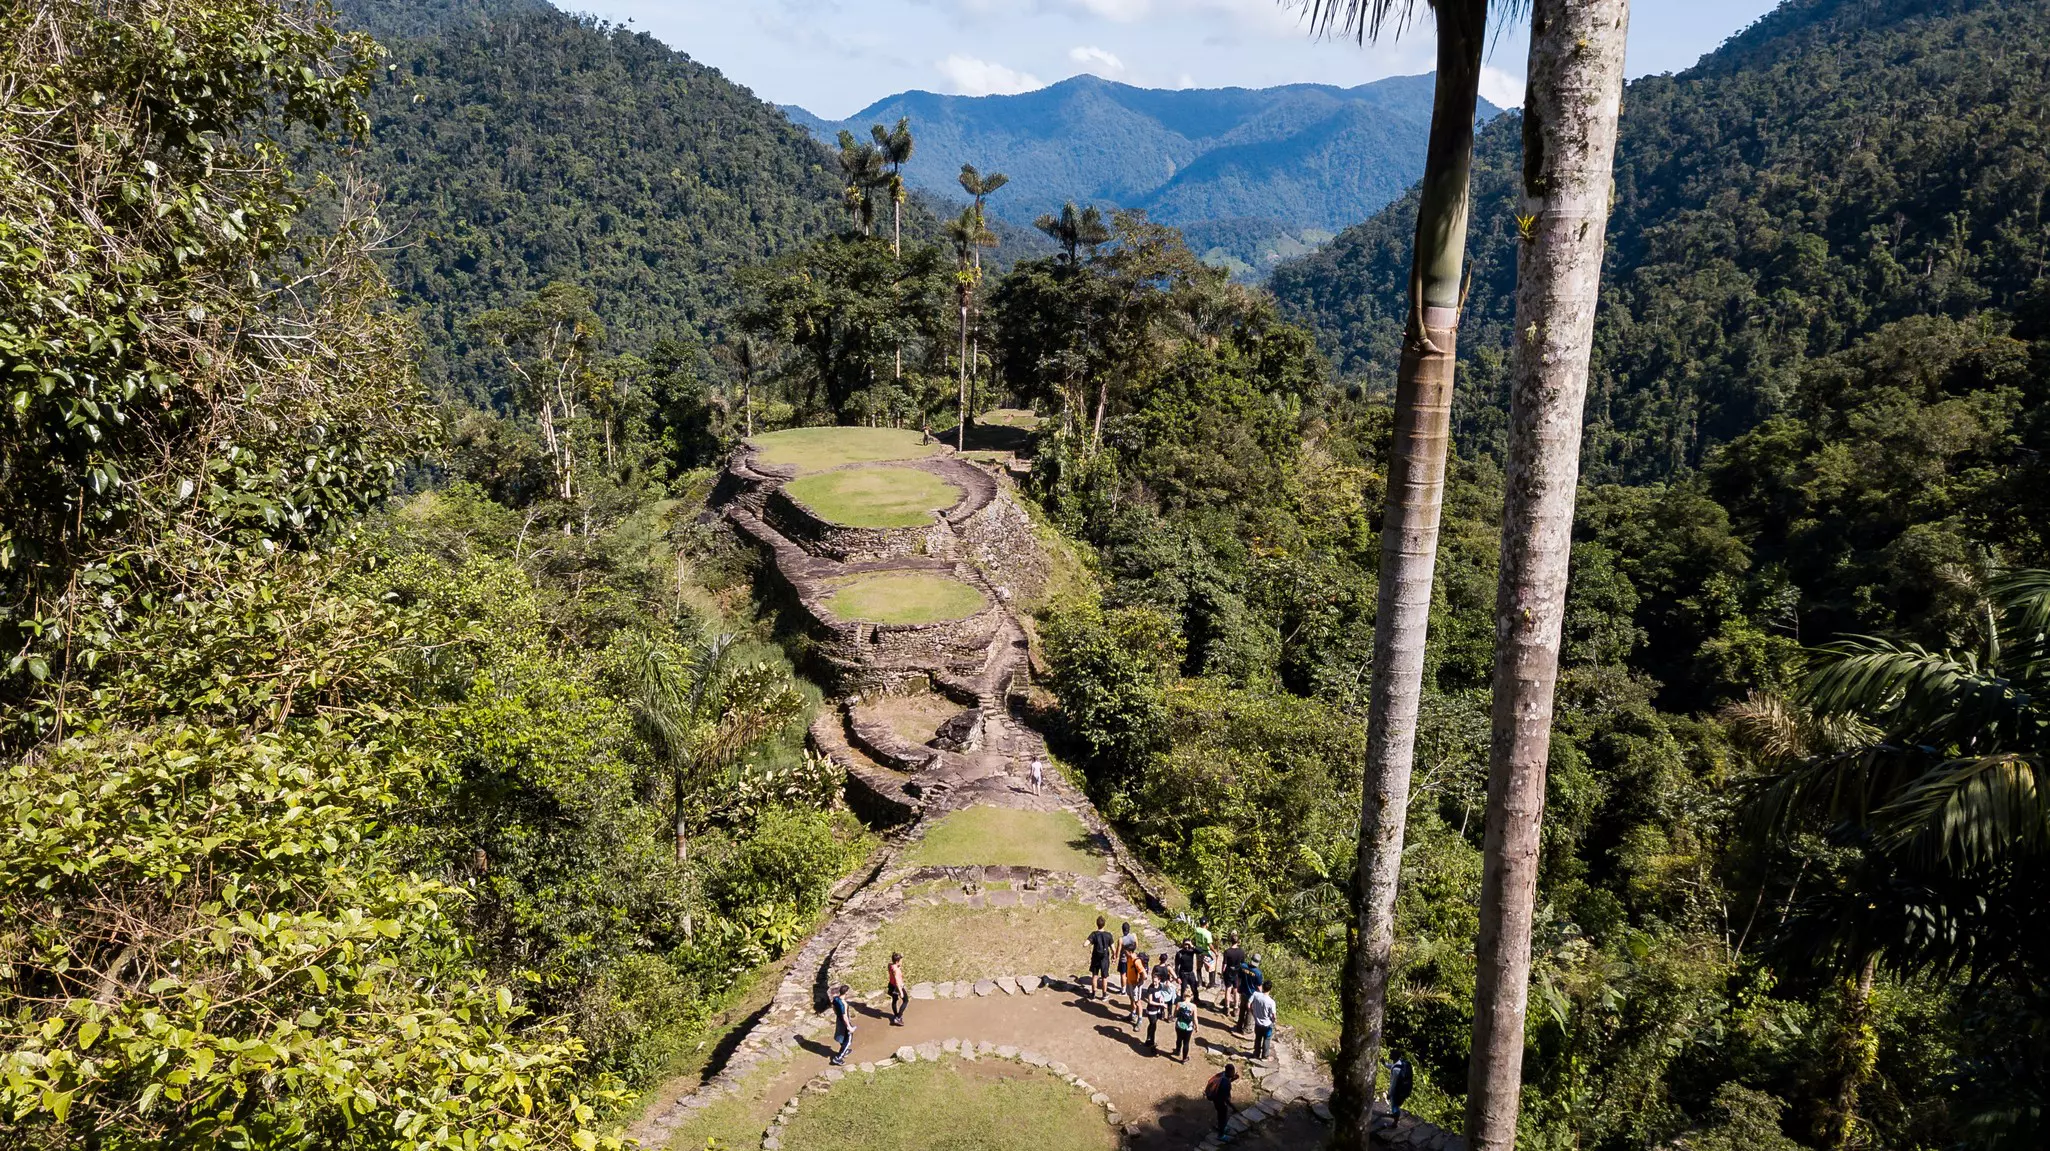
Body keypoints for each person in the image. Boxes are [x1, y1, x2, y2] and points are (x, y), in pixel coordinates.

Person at [1204, 1062, 1239, 1137]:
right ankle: (1221, 1135)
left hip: (1216, 1099)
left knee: (1220, 1115)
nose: (1234, 1073)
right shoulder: (1226, 1084)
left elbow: (1226, 1080)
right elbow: (1226, 1099)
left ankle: (1220, 1127)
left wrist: (1233, 1078)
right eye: (1233, 1071)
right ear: (1230, 1072)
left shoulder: (1222, 1075)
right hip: (1221, 1103)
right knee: (1223, 1117)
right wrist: (1234, 1108)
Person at [1143, 973, 1176, 1053]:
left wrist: (1162, 1000)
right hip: (1151, 1010)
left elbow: (1160, 995)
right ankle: (1152, 1044)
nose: (1154, 983)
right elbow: (1150, 1001)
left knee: (1152, 1025)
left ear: (1159, 980)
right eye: (1153, 981)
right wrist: (1161, 1004)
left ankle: (1148, 1040)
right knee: (1153, 1025)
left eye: (1155, 981)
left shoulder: (1160, 986)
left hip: (1157, 1009)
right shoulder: (1151, 988)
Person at [1086, 916, 1116, 999]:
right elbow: (1113, 948)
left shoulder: (1094, 934)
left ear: (1097, 924)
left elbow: (1085, 944)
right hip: (1105, 958)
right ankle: (1104, 994)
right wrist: (1114, 956)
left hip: (1096, 957)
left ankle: (1093, 994)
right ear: (1104, 924)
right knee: (1104, 977)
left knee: (1095, 976)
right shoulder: (1108, 935)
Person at [1248, 979, 1277, 1061]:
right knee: (1266, 1039)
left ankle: (1256, 1054)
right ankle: (1265, 1056)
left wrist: (1253, 1013)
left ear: (1263, 987)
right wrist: (1274, 1021)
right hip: (1267, 1024)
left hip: (1257, 1022)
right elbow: (1274, 1015)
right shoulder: (1271, 1002)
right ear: (1270, 989)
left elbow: (1248, 1004)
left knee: (1258, 1038)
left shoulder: (1256, 994)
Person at [1236, 953, 1265, 1034]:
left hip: (1243, 991)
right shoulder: (1258, 973)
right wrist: (1262, 995)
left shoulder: (1243, 966)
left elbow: (1239, 978)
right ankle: (1246, 1029)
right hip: (1252, 995)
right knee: (1249, 1012)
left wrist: (1238, 987)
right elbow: (1259, 986)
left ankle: (1238, 1026)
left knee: (1242, 1009)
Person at [1220, 935, 1247, 1017]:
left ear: (1230, 941)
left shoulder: (1227, 951)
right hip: (1237, 972)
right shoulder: (1241, 952)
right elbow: (1243, 964)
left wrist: (1222, 972)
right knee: (1236, 990)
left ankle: (1227, 1008)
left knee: (1228, 989)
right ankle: (1235, 1008)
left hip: (1228, 971)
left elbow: (1224, 964)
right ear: (1238, 941)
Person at [1385, 1055, 1415, 1125]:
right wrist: (1385, 1064)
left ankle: (1395, 1123)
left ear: (1394, 1057)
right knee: (1396, 1104)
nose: (1389, 1055)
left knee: (1394, 1105)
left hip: (1397, 1090)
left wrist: (1389, 1094)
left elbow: (1393, 1084)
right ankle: (1395, 1116)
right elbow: (1392, 1066)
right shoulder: (1401, 1063)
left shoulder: (1396, 1070)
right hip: (1403, 1089)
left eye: (1391, 1054)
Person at [830, 983, 854, 1066]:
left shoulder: (836, 999)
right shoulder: (844, 1004)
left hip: (839, 1020)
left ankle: (845, 1050)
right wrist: (849, 1027)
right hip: (844, 1022)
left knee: (842, 1036)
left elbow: (833, 1007)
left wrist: (837, 1014)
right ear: (846, 992)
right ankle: (838, 1058)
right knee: (848, 1040)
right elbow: (845, 1016)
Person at [1172, 992, 1199, 1063]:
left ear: (1184, 996)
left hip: (1179, 1025)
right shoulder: (1193, 1006)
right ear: (1191, 996)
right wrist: (1196, 1026)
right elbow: (1195, 1018)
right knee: (1186, 1043)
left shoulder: (1179, 1004)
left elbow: (1175, 1015)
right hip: (1188, 1027)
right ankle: (1184, 1058)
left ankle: (1177, 1051)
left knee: (1179, 1039)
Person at [1123, 949, 1147, 1027]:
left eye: (1125, 951)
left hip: (1135, 985)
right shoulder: (1129, 958)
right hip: (1129, 982)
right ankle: (1132, 1014)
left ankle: (1139, 1020)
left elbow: (1145, 975)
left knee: (1137, 1002)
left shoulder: (1136, 961)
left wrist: (1139, 982)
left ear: (1130, 952)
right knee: (1131, 998)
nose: (1124, 952)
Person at [1174, 937, 1200, 1005]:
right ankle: (1182, 1002)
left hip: (1191, 973)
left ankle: (1196, 1000)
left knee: (1194, 988)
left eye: (1187, 944)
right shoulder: (1179, 953)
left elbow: (1200, 951)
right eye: (1185, 944)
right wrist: (1177, 977)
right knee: (1183, 989)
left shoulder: (1191, 951)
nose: (1186, 946)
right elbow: (1176, 966)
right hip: (1183, 973)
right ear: (1182, 944)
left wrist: (1192, 945)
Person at [1192, 917, 1216, 988]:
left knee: (1199, 967)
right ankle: (1211, 984)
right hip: (1206, 953)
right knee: (1211, 968)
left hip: (1198, 952)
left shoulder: (1196, 930)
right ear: (1206, 924)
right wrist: (1215, 952)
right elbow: (1210, 945)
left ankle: (1199, 982)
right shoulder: (1207, 933)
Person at [887, 952, 907, 1026]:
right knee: (905, 1001)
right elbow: (898, 982)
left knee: (894, 1001)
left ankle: (896, 1015)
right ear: (897, 961)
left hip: (891, 986)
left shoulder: (890, 965)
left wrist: (900, 957)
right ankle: (898, 1018)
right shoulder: (897, 971)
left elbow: (894, 965)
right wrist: (901, 991)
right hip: (897, 987)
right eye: (900, 960)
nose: (902, 962)